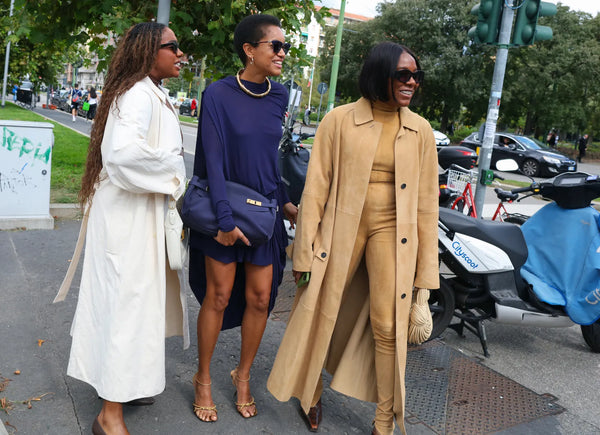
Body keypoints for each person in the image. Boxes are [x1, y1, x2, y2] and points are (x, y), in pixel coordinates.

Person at [267, 41, 440, 435]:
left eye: (417, 76)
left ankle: (384, 421)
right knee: (321, 311)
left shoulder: (420, 130)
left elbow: (428, 205)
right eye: (403, 75)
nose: (412, 82)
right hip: (340, 228)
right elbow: (315, 190)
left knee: (387, 323)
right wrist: (304, 254)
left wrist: (426, 276)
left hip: (394, 231)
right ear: (380, 74)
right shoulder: (339, 120)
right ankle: (309, 392)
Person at [65, 22, 187, 435]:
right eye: (173, 47)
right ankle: (109, 415)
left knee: (136, 307)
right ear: (149, 50)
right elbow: (121, 155)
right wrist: (173, 171)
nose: (180, 54)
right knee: (127, 310)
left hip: (135, 215)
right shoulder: (137, 94)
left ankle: (127, 385)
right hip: (128, 219)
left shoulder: (147, 92)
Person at [188, 14, 297, 423]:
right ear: (250, 50)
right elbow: (212, 161)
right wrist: (223, 219)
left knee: (260, 298)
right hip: (226, 212)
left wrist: (285, 202)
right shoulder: (217, 93)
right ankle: (202, 378)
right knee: (217, 297)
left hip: (264, 213)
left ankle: (243, 375)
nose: (283, 53)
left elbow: (270, 158)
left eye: (285, 47)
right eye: (276, 46)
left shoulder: (279, 95)